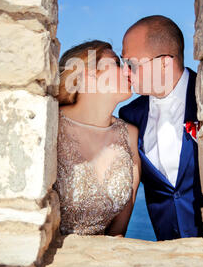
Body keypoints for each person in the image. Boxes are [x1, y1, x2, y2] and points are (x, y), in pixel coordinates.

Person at [119, 15, 203, 241]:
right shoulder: (130, 115)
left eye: (132, 65)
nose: (124, 72)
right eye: (123, 63)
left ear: (164, 63)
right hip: (167, 256)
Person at [53, 40, 141, 237]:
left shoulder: (130, 136)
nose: (129, 71)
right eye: (117, 64)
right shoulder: (51, 126)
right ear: (88, 74)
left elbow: (118, 232)